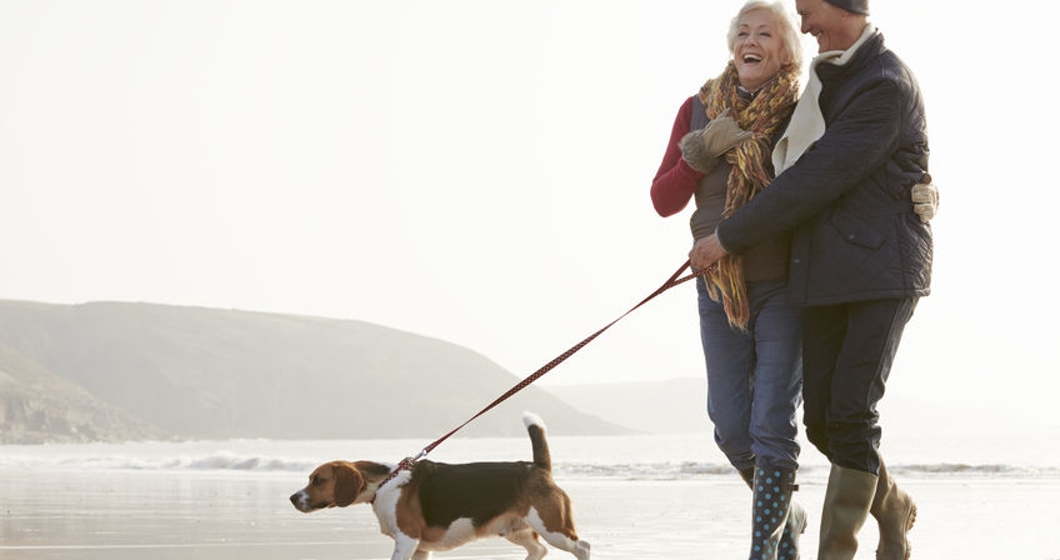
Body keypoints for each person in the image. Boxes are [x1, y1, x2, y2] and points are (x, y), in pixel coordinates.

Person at [688, 0, 933, 559]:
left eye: (808, 11)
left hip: (880, 271)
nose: (803, 24)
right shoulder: (830, 76)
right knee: (822, 422)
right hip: (821, 272)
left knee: (849, 412)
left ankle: (834, 552)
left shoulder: (884, 84)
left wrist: (727, 238)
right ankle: (892, 504)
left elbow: (814, 180)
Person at [649, 2, 808, 558]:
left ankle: (771, 552)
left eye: (766, 32)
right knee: (730, 426)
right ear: (731, 44)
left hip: (787, 286)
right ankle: (787, 509)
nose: (752, 39)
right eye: (743, 31)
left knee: (772, 426)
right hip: (717, 286)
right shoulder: (697, 109)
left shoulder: (804, 109)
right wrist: (700, 153)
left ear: (786, 49)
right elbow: (663, 200)